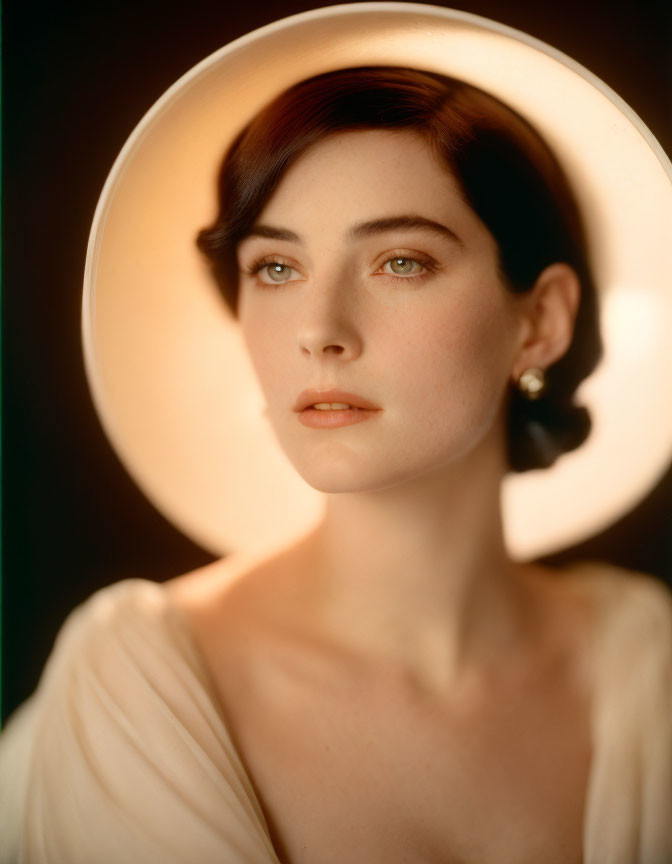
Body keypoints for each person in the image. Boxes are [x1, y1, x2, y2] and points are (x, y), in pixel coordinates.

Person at [1, 7, 671, 864]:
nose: (319, 329)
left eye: (401, 262)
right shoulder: (146, 681)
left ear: (539, 320)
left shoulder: (646, 665)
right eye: (275, 268)